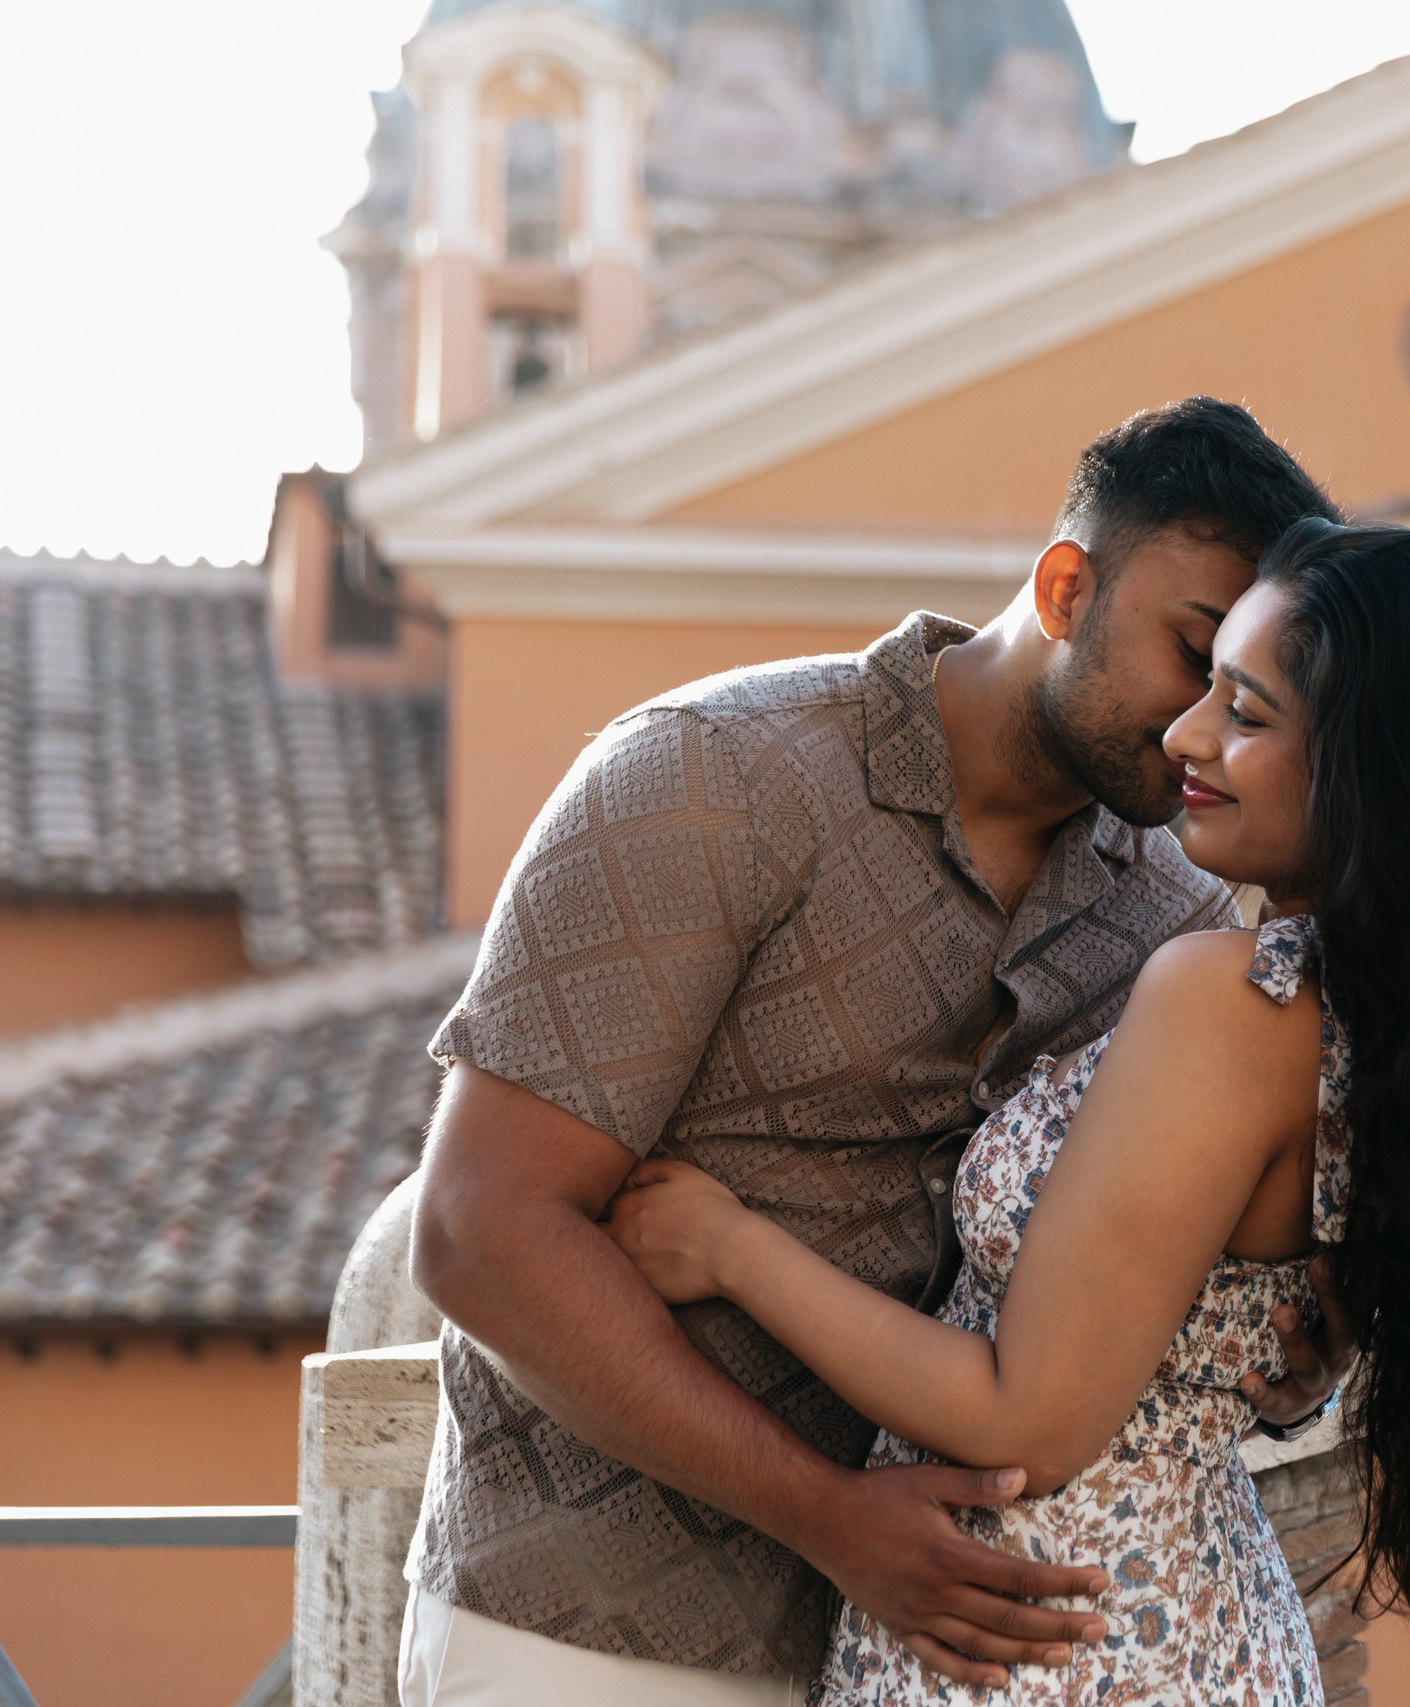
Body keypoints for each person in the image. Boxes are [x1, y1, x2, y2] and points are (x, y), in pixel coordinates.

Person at [401, 399, 1357, 1707]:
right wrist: (829, 1514)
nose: (1202, 722)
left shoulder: (1181, 912)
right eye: (1193, 653)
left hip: (948, 1652)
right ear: (1069, 585)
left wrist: (1286, 1350)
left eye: (1245, 690)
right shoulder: (712, 774)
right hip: (603, 1621)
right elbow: (478, 1227)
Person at [600, 518, 1410, 1705]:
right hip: (1165, 1627)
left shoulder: (1233, 1001)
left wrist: (730, 1249)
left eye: (1248, 716)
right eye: (1206, 685)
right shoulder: (1391, 1026)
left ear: (1378, 773)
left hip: (1062, 1648)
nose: (1188, 734)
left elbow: (1023, 1421)